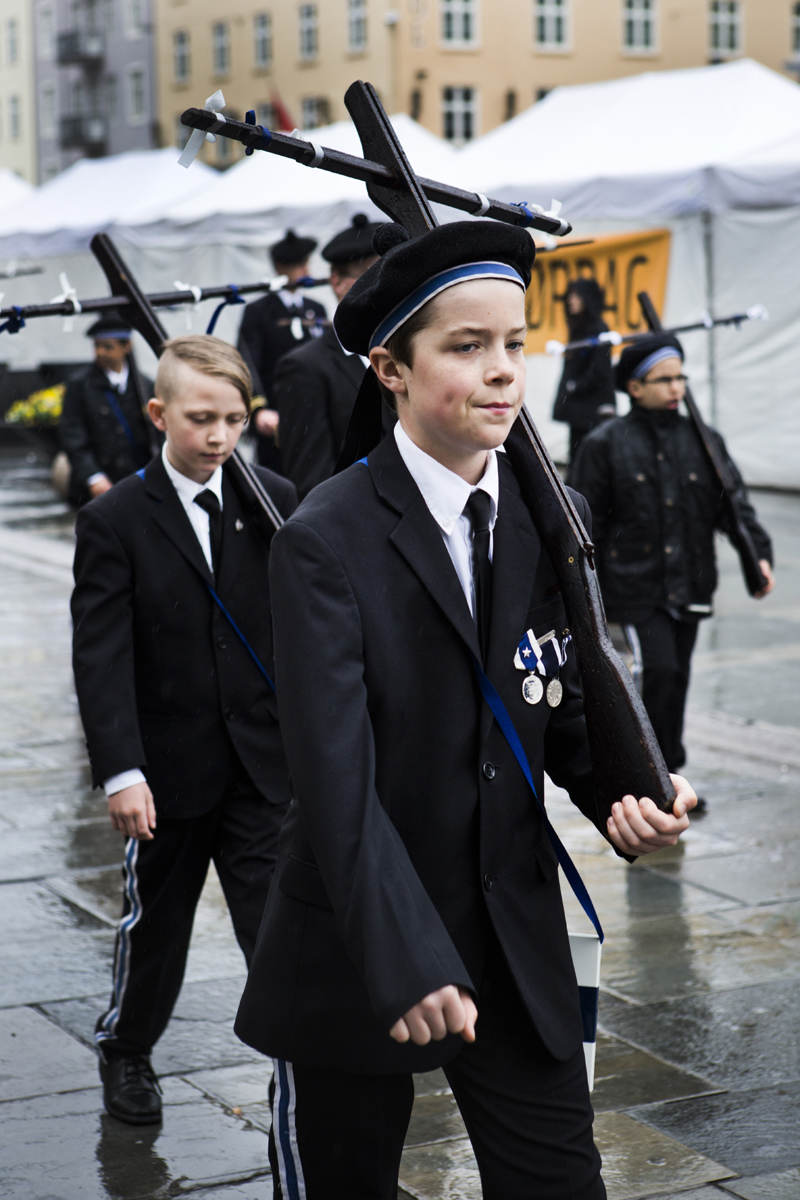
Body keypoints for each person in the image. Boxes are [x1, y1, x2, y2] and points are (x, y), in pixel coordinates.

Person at [235, 221, 697, 1199]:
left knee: (559, 1181)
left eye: (511, 343)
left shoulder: (544, 510)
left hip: (508, 925)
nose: (500, 372)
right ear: (389, 368)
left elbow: (556, 692)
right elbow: (333, 777)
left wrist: (618, 786)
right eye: (463, 346)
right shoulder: (326, 539)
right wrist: (399, 948)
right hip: (363, 932)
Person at [70, 335, 297, 1126]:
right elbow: (100, 655)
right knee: (157, 928)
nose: (219, 437)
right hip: (167, 772)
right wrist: (122, 771)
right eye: (201, 419)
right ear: (159, 413)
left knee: (275, 926)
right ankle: (127, 1047)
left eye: (235, 418)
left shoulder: (275, 499)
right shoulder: (115, 519)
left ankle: (298, 1065)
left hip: (262, 767)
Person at [571, 333, 774, 805]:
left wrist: (757, 555)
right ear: (635, 387)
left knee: (676, 677)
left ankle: (669, 773)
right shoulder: (605, 444)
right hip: (635, 588)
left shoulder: (702, 439)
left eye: (681, 376)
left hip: (692, 582)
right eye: (664, 379)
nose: (676, 387)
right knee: (657, 672)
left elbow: (735, 505)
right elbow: (582, 525)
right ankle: (652, 779)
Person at [273, 213, 385, 498]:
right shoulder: (305, 367)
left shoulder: (412, 353)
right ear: (337, 282)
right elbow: (313, 482)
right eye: (372, 276)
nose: (388, 289)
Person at [236, 228, 327, 471]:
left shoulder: (316, 309)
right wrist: (259, 409)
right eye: (298, 264)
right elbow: (247, 362)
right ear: (279, 268)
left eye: (305, 263)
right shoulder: (258, 312)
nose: (306, 271)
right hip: (277, 415)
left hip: (315, 412)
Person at [59, 313, 158, 506]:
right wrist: (93, 477)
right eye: (96, 346)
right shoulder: (79, 385)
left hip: (140, 481)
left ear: (126, 347)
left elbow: (159, 434)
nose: (100, 353)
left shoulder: (146, 386)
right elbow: (72, 435)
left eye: (108, 347)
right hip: (97, 487)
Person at [552, 277, 616, 474]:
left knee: (590, 460)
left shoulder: (598, 329)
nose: (571, 300)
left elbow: (601, 370)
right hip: (579, 410)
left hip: (592, 410)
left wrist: (575, 386)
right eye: (570, 295)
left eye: (576, 296)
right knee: (577, 457)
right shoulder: (578, 328)